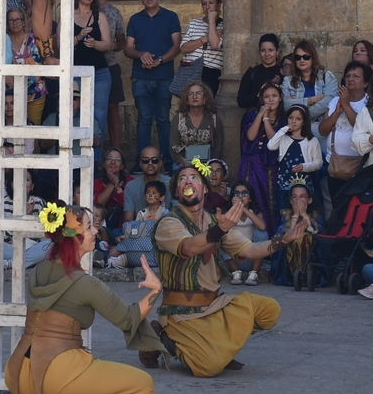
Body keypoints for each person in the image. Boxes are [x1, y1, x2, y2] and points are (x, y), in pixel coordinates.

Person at [3, 201, 164, 394]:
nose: (95, 231)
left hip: (17, 376)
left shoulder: (36, 272)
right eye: (89, 228)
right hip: (55, 377)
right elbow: (129, 319)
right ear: (73, 238)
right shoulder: (85, 284)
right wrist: (155, 290)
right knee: (144, 386)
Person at [149, 162, 303, 377]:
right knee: (207, 367)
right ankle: (161, 337)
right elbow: (189, 246)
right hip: (181, 313)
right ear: (176, 191)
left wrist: (283, 240)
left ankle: (219, 346)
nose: (187, 182)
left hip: (214, 305)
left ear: (204, 188)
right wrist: (219, 230)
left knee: (269, 311)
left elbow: (251, 249)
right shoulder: (168, 223)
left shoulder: (214, 220)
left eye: (193, 177)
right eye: (182, 179)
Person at [124, 0, 182, 167]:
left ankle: (166, 161)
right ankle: (142, 162)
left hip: (164, 76)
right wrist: (140, 54)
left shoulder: (171, 17)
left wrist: (160, 60)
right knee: (144, 119)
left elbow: (177, 46)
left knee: (164, 120)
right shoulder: (135, 19)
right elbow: (127, 48)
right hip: (141, 77)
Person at [319, 62, 371, 200]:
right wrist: (336, 113)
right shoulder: (335, 101)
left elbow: (363, 129)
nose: (350, 79)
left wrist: (346, 105)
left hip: (360, 166)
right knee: (337, 209)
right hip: (335, 165)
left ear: (366, 82)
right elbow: (323, 130)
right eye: (348, 76)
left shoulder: (370, 103)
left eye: (356, 76)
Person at [73, 0, 113, 153]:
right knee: (76, 113)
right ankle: (76, 155)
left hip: (100, 72)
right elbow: (60, 46)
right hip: (75, 73)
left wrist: (95, 43)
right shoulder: (68, 15)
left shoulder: (99, 16)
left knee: (99, 115)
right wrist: (79, 37)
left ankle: (95, 159)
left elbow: (108, 45)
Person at [239, 82, 283, 227]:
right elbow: (251, 137)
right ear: (261, 100)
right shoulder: (252, 115)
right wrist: (260, 115)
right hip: (251, 163)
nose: (271, 100)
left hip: (270, 166)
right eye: (267, 97)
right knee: (251, 197)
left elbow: (274, 140)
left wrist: (266, 120)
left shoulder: (283, 118)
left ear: (280, 98)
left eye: (274, 96)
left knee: (269, 199)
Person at [268, 105, 322, 213]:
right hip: (284, 181)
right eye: (291, 118)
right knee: (285, 210)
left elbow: (319, 163)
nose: (293, 121)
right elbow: (270, 146)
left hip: (304, 182)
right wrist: (284, 129)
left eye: (298, 119)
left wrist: (304, 167)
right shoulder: (283, 138)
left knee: (304, 210)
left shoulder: (312, 141)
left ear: (304, 121)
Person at [282, 39, 337, 138]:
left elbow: (330, 101)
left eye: (306, 56)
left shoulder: (327, 77)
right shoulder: (287, 81)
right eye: (298, 57)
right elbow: (285, 105)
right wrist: (311, 100)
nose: (302, 60)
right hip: (296, 133)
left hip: (321, 130)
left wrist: (304, 115)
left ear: (313, 58)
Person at [96, 0, 127, 150]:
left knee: (112, 110)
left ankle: (116, 153)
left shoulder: (114, 12)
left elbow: (122, 41)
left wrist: (112, 45)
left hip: (109, 66)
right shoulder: (81, 9)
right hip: (88, 67)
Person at [178, 0, 223, 97]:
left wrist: (212, 21)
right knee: (187, 105)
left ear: (219, 4)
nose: (208, 7)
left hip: (210, 73)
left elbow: (214, 45)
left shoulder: (224, 26)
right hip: (190, 70)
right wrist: (205, 38)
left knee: (206, 107)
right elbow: (184, 48)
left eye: (211, 3)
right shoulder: (193, 23)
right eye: (204, 4)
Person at [6, 5, 46, 124]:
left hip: (35, 91)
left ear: (24, 22)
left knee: (34, 128)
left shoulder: (34, 38)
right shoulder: (4, 40)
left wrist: (15, 65)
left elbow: (38, 61)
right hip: (11, 95)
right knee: (14, 128)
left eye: (18, 19)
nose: (15, 23)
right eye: (11, 20)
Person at [123, 147, 173, 223]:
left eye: (154, 160)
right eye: (145, 160)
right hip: (139, 231)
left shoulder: (172, 183)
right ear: (140, 163)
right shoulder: (131, 186)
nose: (150, 163)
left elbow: (179, 215)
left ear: (160, 163)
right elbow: (128, 220)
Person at [236, 34, 283, 110]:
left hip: (277, 119)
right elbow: (241, 101)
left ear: (277, 52)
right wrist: (264, 89)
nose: (267, 54)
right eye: (263, 50)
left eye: (271, 50)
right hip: (254, 118)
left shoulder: (282, 72)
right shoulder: (252, 73)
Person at [94, 148, 131, 241]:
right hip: (101, 227)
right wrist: (112, 184)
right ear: (104, 164)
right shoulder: (96, 183)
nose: (113, 162)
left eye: (117, 160)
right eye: (109, 159)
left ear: (122, 166)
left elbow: (128, 206)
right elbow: (97, 206)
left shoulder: (130, 182)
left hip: (123, 227)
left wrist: (118, 189)